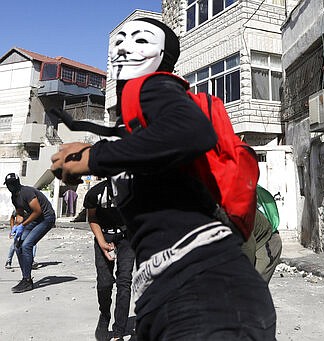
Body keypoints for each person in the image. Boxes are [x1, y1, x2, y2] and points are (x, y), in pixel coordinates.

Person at [50, 17, 276, 340]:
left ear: (161, 58)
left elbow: (194, 132)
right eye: (120, 41)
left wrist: (94, 159)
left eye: (141, 40)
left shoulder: (152, 86)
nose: (126, 47)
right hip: (174, 297)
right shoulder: (139, 133)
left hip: (204, 296)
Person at [84, 180, 135, 341]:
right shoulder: (95, 193)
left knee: (124, 282)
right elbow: (92, 217)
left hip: (127, 238)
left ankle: (118, 331)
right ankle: (104, 314)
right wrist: (102, 242)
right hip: (104, 235)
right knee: (104, 283)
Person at [4, 173, 55, 293]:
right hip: (35, 219)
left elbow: (37, 211)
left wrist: (23, 225)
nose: (10, 187)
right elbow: (20, 214)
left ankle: (27, 281)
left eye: (12, 184)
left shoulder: (26, 192)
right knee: (17, 245)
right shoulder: (14, 197)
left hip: (46, 218)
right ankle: (25, 278)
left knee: (27, 245)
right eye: (8, 185)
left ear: (17, 183)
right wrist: (16, 227)